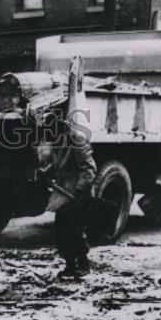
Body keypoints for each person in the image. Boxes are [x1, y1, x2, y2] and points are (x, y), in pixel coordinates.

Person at [37, 112, 97, 279]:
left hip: (78, 194)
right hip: (63, 194)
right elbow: (57, 166)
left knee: (76, 230)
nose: (50, 137)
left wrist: (80, 190)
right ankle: (70, 265)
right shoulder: (57, 141)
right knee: (62, 232)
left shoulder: (77, 140)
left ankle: (83, 264)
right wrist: (44, 172)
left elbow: (89, 169)